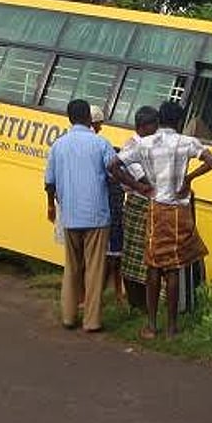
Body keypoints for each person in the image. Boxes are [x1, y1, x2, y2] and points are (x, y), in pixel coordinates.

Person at [112, 101, 212, 339]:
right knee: (173, 269)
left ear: (159, 121)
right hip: (180, 213)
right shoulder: (187, 142)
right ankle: (172, 327)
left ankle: (151, 325)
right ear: (180, 122)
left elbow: (113, 166)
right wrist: (189, 179)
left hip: (157, 209)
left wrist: (139, 186)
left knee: (153, 266)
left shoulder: (144, 143)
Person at [44, 99, 117, 333]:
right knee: (94, 270)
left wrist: (52, 208)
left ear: (69, 118)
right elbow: (115, 170)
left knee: (71, 267)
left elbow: (49, 183)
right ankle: (92, 322)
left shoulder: (58, 145)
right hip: (96, 216)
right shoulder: (101, 143)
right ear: (88, 117)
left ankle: (68, 317)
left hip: (70, 215)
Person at [118, 106, 159, 308]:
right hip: (138, 203)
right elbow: (142, 176)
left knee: (147, 256)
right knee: (132, 256)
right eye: (153, 127)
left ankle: (142, 303)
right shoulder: (132, 147)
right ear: (142, 127)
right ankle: (135, 303)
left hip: (151, 203)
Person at [88, 105, 126, 306]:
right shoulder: (101, 146)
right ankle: (103, 293)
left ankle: (103, 294)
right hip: (105, 216)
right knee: (106, 258)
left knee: (109, 257)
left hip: (103, 215)